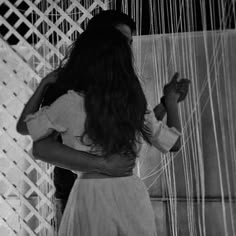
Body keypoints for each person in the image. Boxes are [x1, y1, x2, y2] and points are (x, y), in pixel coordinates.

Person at [23, 26, 188, 235]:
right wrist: (171, 102)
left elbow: (34, 137)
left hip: (92, 193)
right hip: (128, 192)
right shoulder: (133, 102)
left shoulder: (71, 102)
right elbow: (172, 143)